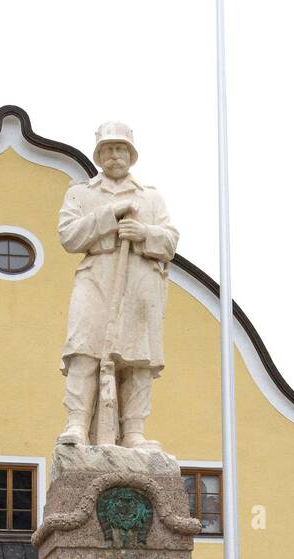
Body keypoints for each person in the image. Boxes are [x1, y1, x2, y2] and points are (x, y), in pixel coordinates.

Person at [57, 121, 178, 448]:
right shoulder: (81, 194)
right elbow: (69, 236)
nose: (114, 155)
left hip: (138, 277)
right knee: (84, 348)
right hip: (97, 270)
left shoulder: (150, 198)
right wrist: (110, 214)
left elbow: (170, 241)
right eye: (108, 149)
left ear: (131, 154)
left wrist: (144, 234)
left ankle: (134, 430)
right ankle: (78, 424)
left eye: (120, 148)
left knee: (137, 358)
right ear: (98, 154)